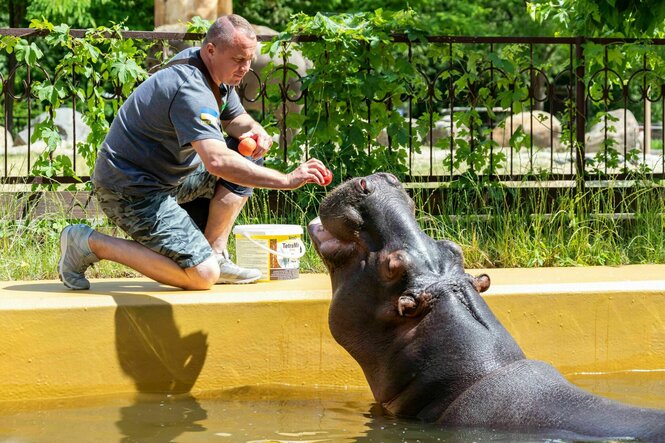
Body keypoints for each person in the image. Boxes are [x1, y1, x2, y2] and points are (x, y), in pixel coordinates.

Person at [58, 14, 328, 290]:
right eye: (238, 60)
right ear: (211, 50)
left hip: (170, 180)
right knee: (202, 276)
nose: (246, 68)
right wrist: (285, 180)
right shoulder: (191, 87)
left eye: (249, 59)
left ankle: (215, 252)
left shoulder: (213, 70)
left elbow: (236, 120)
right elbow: (217, 161)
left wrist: (256, 131)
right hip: (130, 191)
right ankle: (88, 243)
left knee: (248, 153)